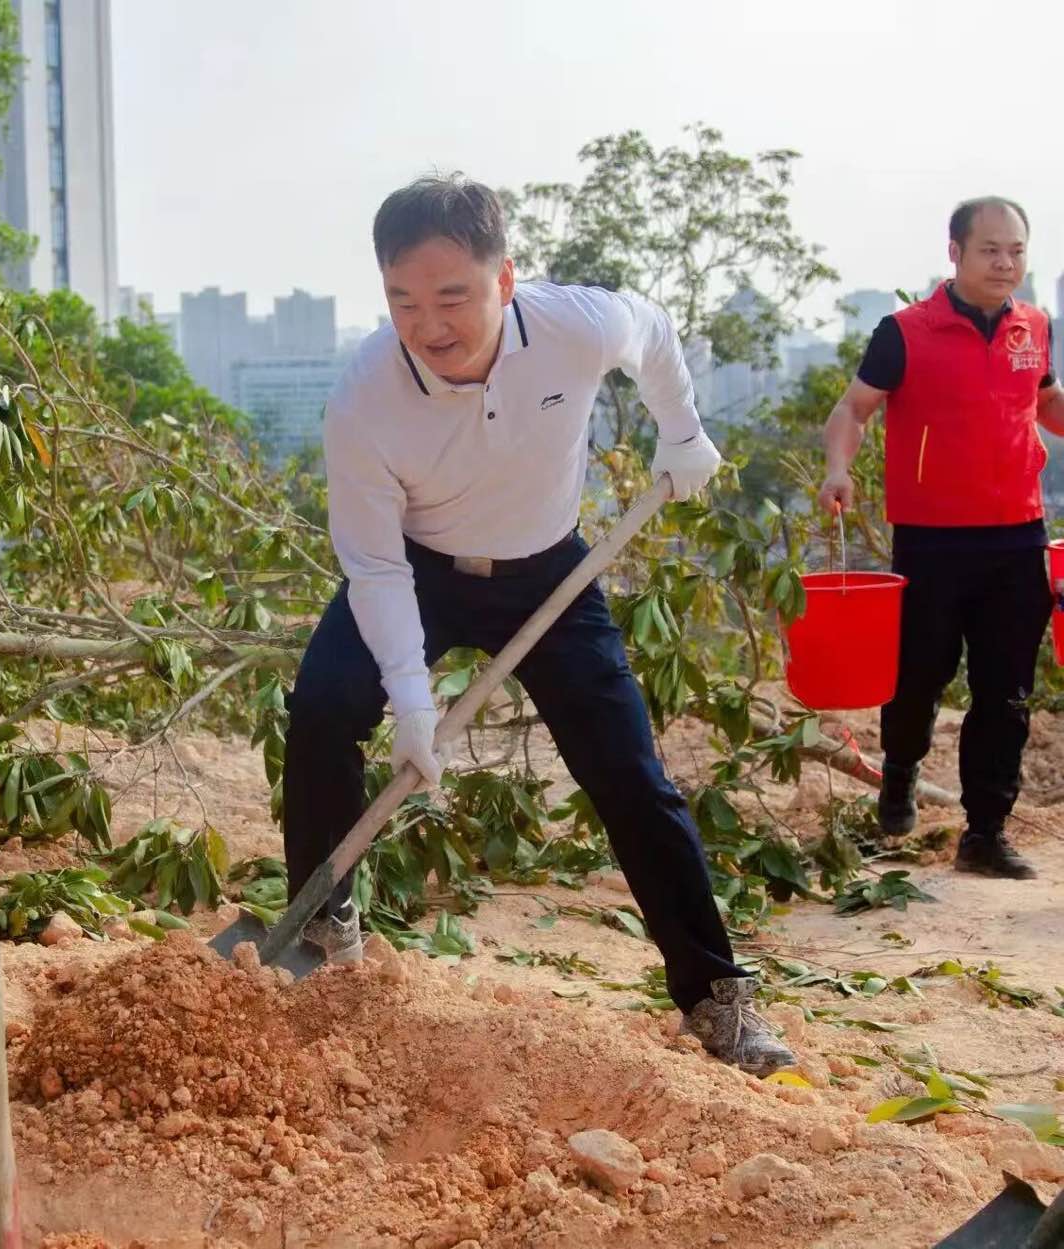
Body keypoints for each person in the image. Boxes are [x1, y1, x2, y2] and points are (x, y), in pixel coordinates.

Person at [285, 174, 793, 1074]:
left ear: (505, 279)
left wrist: (683, 430)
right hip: (423, 569)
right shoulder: (364, 399)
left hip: (552, 571)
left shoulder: (575, 324)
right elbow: (372, 565)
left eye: (452, 296)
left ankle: (715, 997)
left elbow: (654, 329)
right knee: (325, 706)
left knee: (630, 774)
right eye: (403, 300)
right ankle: (322, 924)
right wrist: (408, 697)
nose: (429, 324)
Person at [819, 196, 1064, 880]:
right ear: (954, 252)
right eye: (991, 249)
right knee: (918, 676)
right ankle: (899, 777)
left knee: (1005, 689)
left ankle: (985, 831)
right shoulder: (905, 332)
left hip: (1018, 535)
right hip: (931, 540)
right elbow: (854, 408)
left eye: (1017, 250)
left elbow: (1044, 401)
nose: (1005, 263)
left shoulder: (1034, 327)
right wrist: (839, 468)